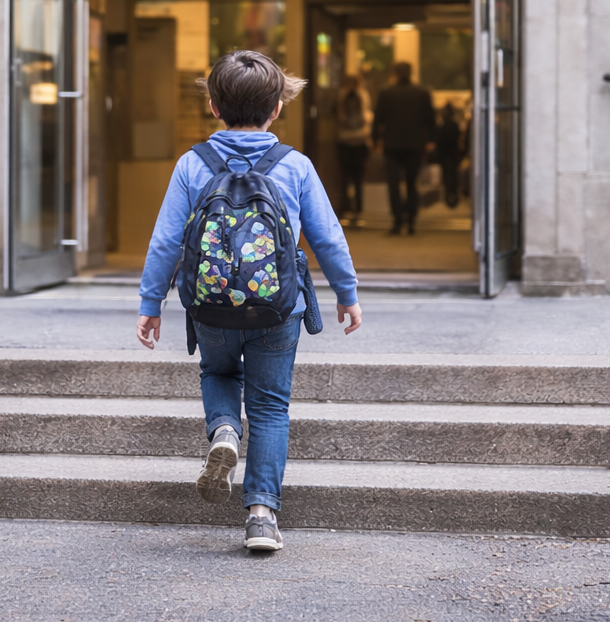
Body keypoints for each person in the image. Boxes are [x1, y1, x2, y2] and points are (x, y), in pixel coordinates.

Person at [134, 50, 363, 552]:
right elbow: (327, 237)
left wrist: (151, 303)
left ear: (213, 106)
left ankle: (223, 432)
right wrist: (346, 294)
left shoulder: (193, 164)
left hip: (210, 308)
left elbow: (166, 242)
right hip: (278, 308)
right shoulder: (294, 166)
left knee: (218, 374)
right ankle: (261, 517)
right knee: (271, 406)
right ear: (277, 109)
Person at [371, 62, 436, 235]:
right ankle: (412, 221)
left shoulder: (386, 93)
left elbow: (378, 118)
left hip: (392, 144)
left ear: (395, 73)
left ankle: (397, 221)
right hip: (415, 144)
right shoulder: (422, 93)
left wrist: (375, 139)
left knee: (393, 183)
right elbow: (430, 118)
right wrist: (431, 140)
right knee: (412, 183)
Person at [335, 75, 372, 225]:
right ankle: (356, 209)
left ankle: (349, 209)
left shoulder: (343, 96)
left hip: (346, 139)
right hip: (358, 139)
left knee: (348, 177)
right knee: (355, 177)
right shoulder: (362, 96)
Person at [436, 101, 464, 209]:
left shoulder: (442, 126)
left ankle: (448, 192)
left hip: (445, 153)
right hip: (453, 152)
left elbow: (439, 140)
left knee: (447, 174)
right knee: (453, 173)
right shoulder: (454, 125)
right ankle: (453, 192)